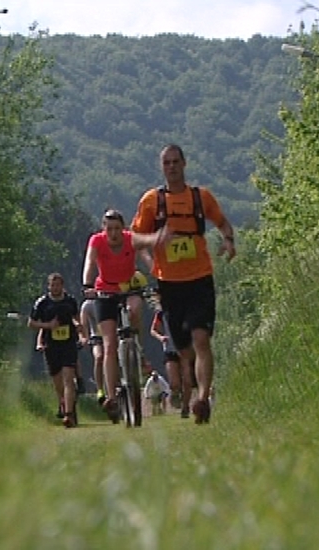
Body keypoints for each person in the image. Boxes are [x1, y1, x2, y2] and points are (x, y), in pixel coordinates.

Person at [131, 144, 236, 425]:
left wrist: (228, 240)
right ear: (161, 166)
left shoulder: (201, 198)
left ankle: (202, 399)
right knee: (184, 351)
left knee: (202, 339)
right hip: (169, 284)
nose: (172, 167)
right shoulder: (152, 201)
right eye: (167, 163)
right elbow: (134, 238)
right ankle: (194, 392)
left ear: (184, 164)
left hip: (200, 278)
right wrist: (152, 245)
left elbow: (223, 223)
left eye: (176, 162)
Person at [81, 209, 162, 421]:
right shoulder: (97, 242)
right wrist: (87, 284)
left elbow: (146, 254)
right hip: (105, 292)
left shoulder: (130, 239)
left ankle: (137, 346)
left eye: (117, 228)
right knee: (108, 345)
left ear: (123, 228)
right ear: (103, 229)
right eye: (110, 229)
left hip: (128, 289)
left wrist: (159, 276)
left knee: (135, 309)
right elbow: (90, 262)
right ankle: (112, 396)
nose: (114, 233)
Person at [28, 272, 87, 428]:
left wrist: (78, 327)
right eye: (52, 285)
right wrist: (48, 326)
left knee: (68, 378)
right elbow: (31, 324)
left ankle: (68, 415)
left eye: (58, 285)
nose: (55, 288)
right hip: (51, 345)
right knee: (58, 381)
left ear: (62, 286)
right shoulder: (42, 303)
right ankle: (63, 402)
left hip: (68, 344)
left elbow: (76, 317)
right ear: (49, 286)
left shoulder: (70, 301)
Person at [150, 302, 192, 418]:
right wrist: (161, 338)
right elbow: (153, 330)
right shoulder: (161, 313)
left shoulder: (187, 309)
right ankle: (175, 393)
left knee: (187, 380)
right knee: (174, 383)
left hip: (185, 348)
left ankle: (186, 407)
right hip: (170, 349)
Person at [80, 297, 106, 404]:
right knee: (99, 357)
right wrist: (84, 337)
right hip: (97, 337)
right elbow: (83, 324)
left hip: (113, 335)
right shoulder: (88, 305)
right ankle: (100, 389)